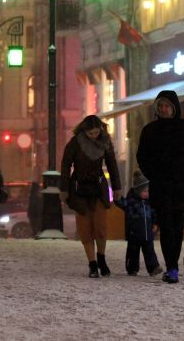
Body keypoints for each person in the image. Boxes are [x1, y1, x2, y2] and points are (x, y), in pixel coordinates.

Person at [136, 90, 184, 284]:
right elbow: (142, 157)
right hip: (161, 186)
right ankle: (172, 267)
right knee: (166, 226)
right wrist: (154, 175)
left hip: (181, 187)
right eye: (160, 106)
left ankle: (172, 265)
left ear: (174, 107)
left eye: (167, 105)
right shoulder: (149, 131)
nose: (164, 109)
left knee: (177, 226)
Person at [60, 114, 122, 278]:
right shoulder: (75, 143)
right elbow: (66, 164)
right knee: (85, 228)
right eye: (90, 134)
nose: (94, 136)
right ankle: (92, 264)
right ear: (84, 131)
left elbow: (112, 164)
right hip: (79, 188)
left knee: (101, 227)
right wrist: (64, 189)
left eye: (96, 132)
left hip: (98, 187)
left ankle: (101, 258)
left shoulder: (105, 141)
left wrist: (117, 187)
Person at [115, 170, 162, 277]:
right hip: (134, 233)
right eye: (144, 191)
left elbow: (154, 214)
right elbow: (123, 204)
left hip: (147, 233)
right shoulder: (132, 201)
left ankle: (153, 268)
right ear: (137, 191)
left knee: (150, 251)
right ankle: (132, 269)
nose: (147, 193)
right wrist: (117, 198)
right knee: (133, 252)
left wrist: (156, 224)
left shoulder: (150, 203)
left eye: (148, 191)